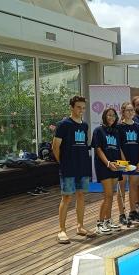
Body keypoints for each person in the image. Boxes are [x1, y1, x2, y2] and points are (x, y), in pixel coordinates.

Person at [52, 96, 94, 244]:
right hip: (68, 167)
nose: (81, 110)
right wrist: (62, 162)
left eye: (83, 108)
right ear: (71, 107)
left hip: (82, 166)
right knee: (67, 197)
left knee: (81, 195)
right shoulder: (63, 124)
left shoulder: (85, 125)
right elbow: (55, 147)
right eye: (78, 107)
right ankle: (61, 230)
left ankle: (80, 226)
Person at [91, 108, 122, 234]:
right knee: (107, 195)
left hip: (115, 166)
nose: (112, 117)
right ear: (104, 116)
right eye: (109, 115)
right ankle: (99, 223)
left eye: (114, 115)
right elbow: (98, 149)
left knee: (111, 196)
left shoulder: (115, 131)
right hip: (104, 166)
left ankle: (107, 221)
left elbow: (118, 149)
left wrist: (122, 164)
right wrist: (108, 163)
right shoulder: (98, 130)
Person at [117, 102, 139, 225]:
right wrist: (124, 162)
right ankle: (121, 214)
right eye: (127, 110)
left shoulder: (138, 127)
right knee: (121, 187)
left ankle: (133, 212)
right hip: (123, 162)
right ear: (122, 112)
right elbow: (118, 146)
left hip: (135, 161)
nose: (130, 112)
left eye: (131, 110)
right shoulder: (119, 127)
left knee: (133, 186)